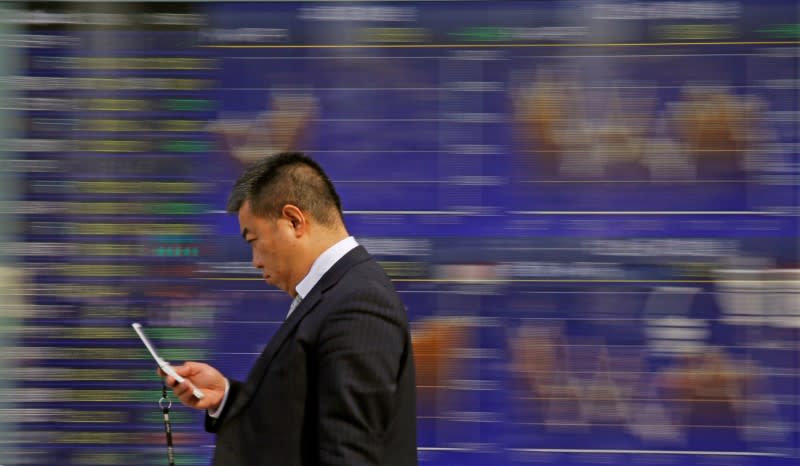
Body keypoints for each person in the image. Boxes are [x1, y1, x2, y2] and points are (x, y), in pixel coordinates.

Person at [160, 151, 418, 465]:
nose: (255, 261)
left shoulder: (359, 302)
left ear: (294, 221)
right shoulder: (335, 294)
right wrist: (227, 398)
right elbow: (306, 421)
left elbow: (349, 450)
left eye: (253, 240)